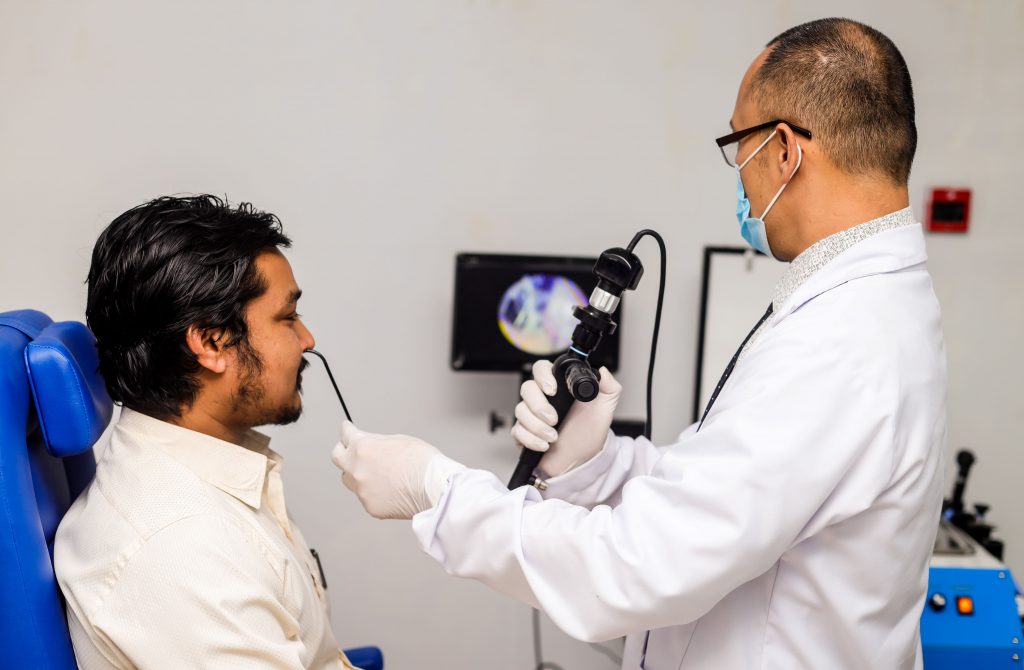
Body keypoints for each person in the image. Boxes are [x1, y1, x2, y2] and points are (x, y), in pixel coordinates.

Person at [334, 17, 946, 669]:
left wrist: (436, 489)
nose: (739, 174)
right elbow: (730, 497)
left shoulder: (837, 341)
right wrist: (595, 464)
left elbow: (639, 567)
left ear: (785, 151)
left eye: (738, 144)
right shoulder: (867, 308)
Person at [55, 196, 359, 669]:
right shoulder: (184, 549)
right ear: (212, 342)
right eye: (287, 317)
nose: (307, 340)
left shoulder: (206, 480)